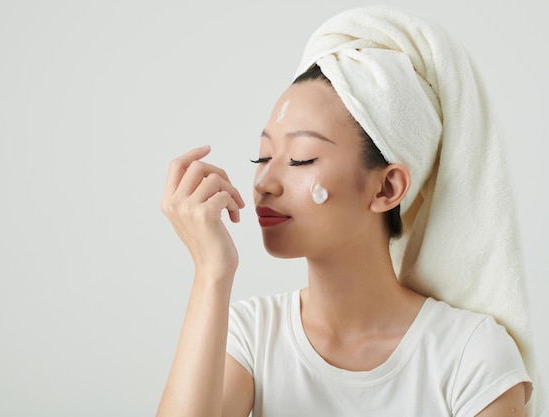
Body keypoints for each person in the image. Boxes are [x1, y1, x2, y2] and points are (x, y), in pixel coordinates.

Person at [156, 6, 540, 417]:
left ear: (387, 187)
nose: (264, 182)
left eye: (301, 159)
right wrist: (212, 272)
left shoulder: (472, 357)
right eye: (263, 156)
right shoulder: (252, 335)